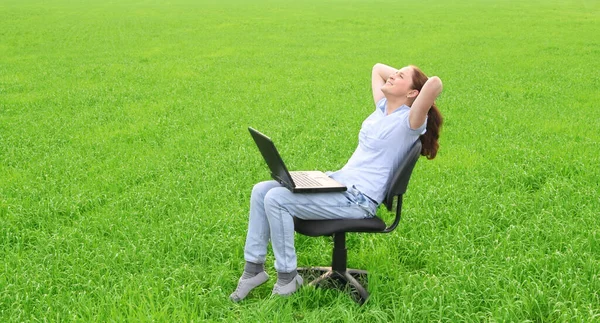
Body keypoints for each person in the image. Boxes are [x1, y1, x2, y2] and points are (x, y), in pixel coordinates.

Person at [230, 63, 444, 302]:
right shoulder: (382, 107)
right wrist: (401, 79)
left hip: (358, 199)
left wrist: (413, 83)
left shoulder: (411, 122)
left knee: (277, 199)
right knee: (261, 190)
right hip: (337, 183)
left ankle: (287, 277)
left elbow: (434, 83)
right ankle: (254, 270)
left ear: (413, 93)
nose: (392, 76)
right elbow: (375, 69)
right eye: (394, 73)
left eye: (400, 76)